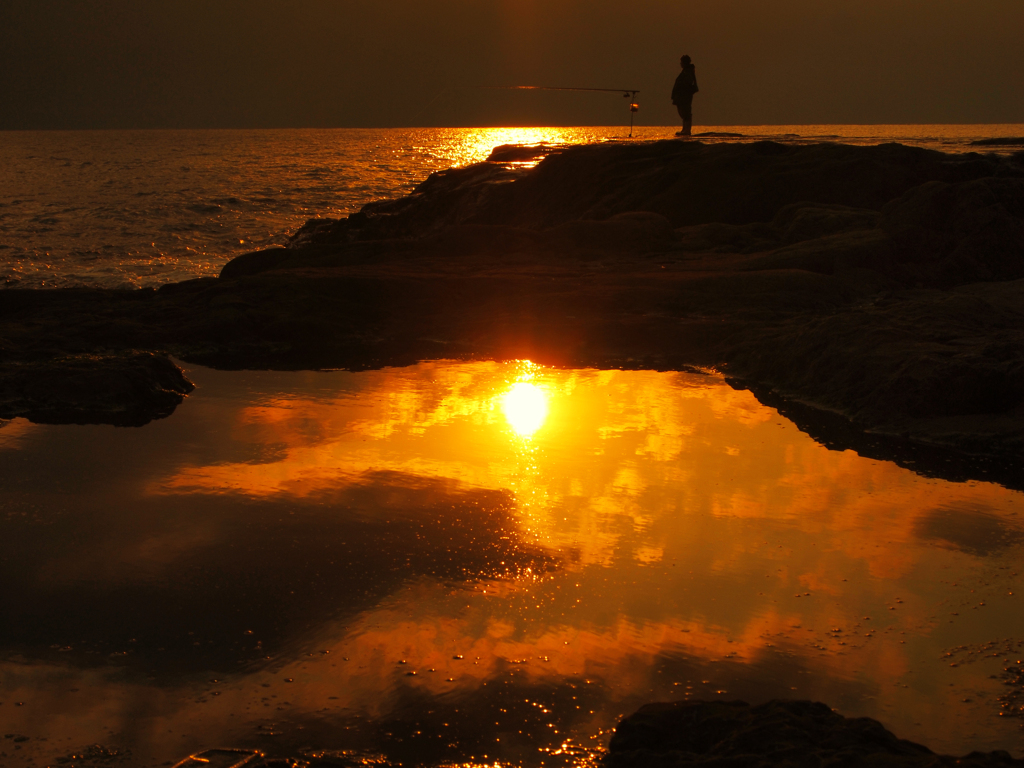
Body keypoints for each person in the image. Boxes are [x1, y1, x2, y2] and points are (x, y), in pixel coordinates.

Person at [672, 54, 699, 136]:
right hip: (682, 96)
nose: (680, 64)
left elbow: (686, 83)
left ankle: (687, 130)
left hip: (685, 96)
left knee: (686, 113)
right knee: (683, 113)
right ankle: (685, 129)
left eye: (682, 62)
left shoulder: (688, 72)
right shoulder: (686, 71)